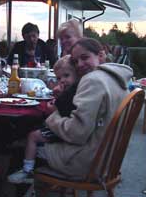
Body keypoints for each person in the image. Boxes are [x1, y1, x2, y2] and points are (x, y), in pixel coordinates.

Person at [36, 37, 133, 179]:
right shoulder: (116, 78)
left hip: (87, 162)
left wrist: (54, 116)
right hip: (108, 160)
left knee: (25, 146)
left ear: (101, 55)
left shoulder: (93, 80)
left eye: (85, 57)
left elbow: (76, 133)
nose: (80, 64)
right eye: (75, 61)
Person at [8, 55, 78, 184]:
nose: (62, 81)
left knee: (32, 136)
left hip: (65, 131)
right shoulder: (73, 89)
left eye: (66, 76)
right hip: (66, 128)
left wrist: (57, 99)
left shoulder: (73, 92)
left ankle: (27, 171)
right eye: (59, 78)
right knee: (34, 126)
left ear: (76, 74)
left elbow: (60, 108)